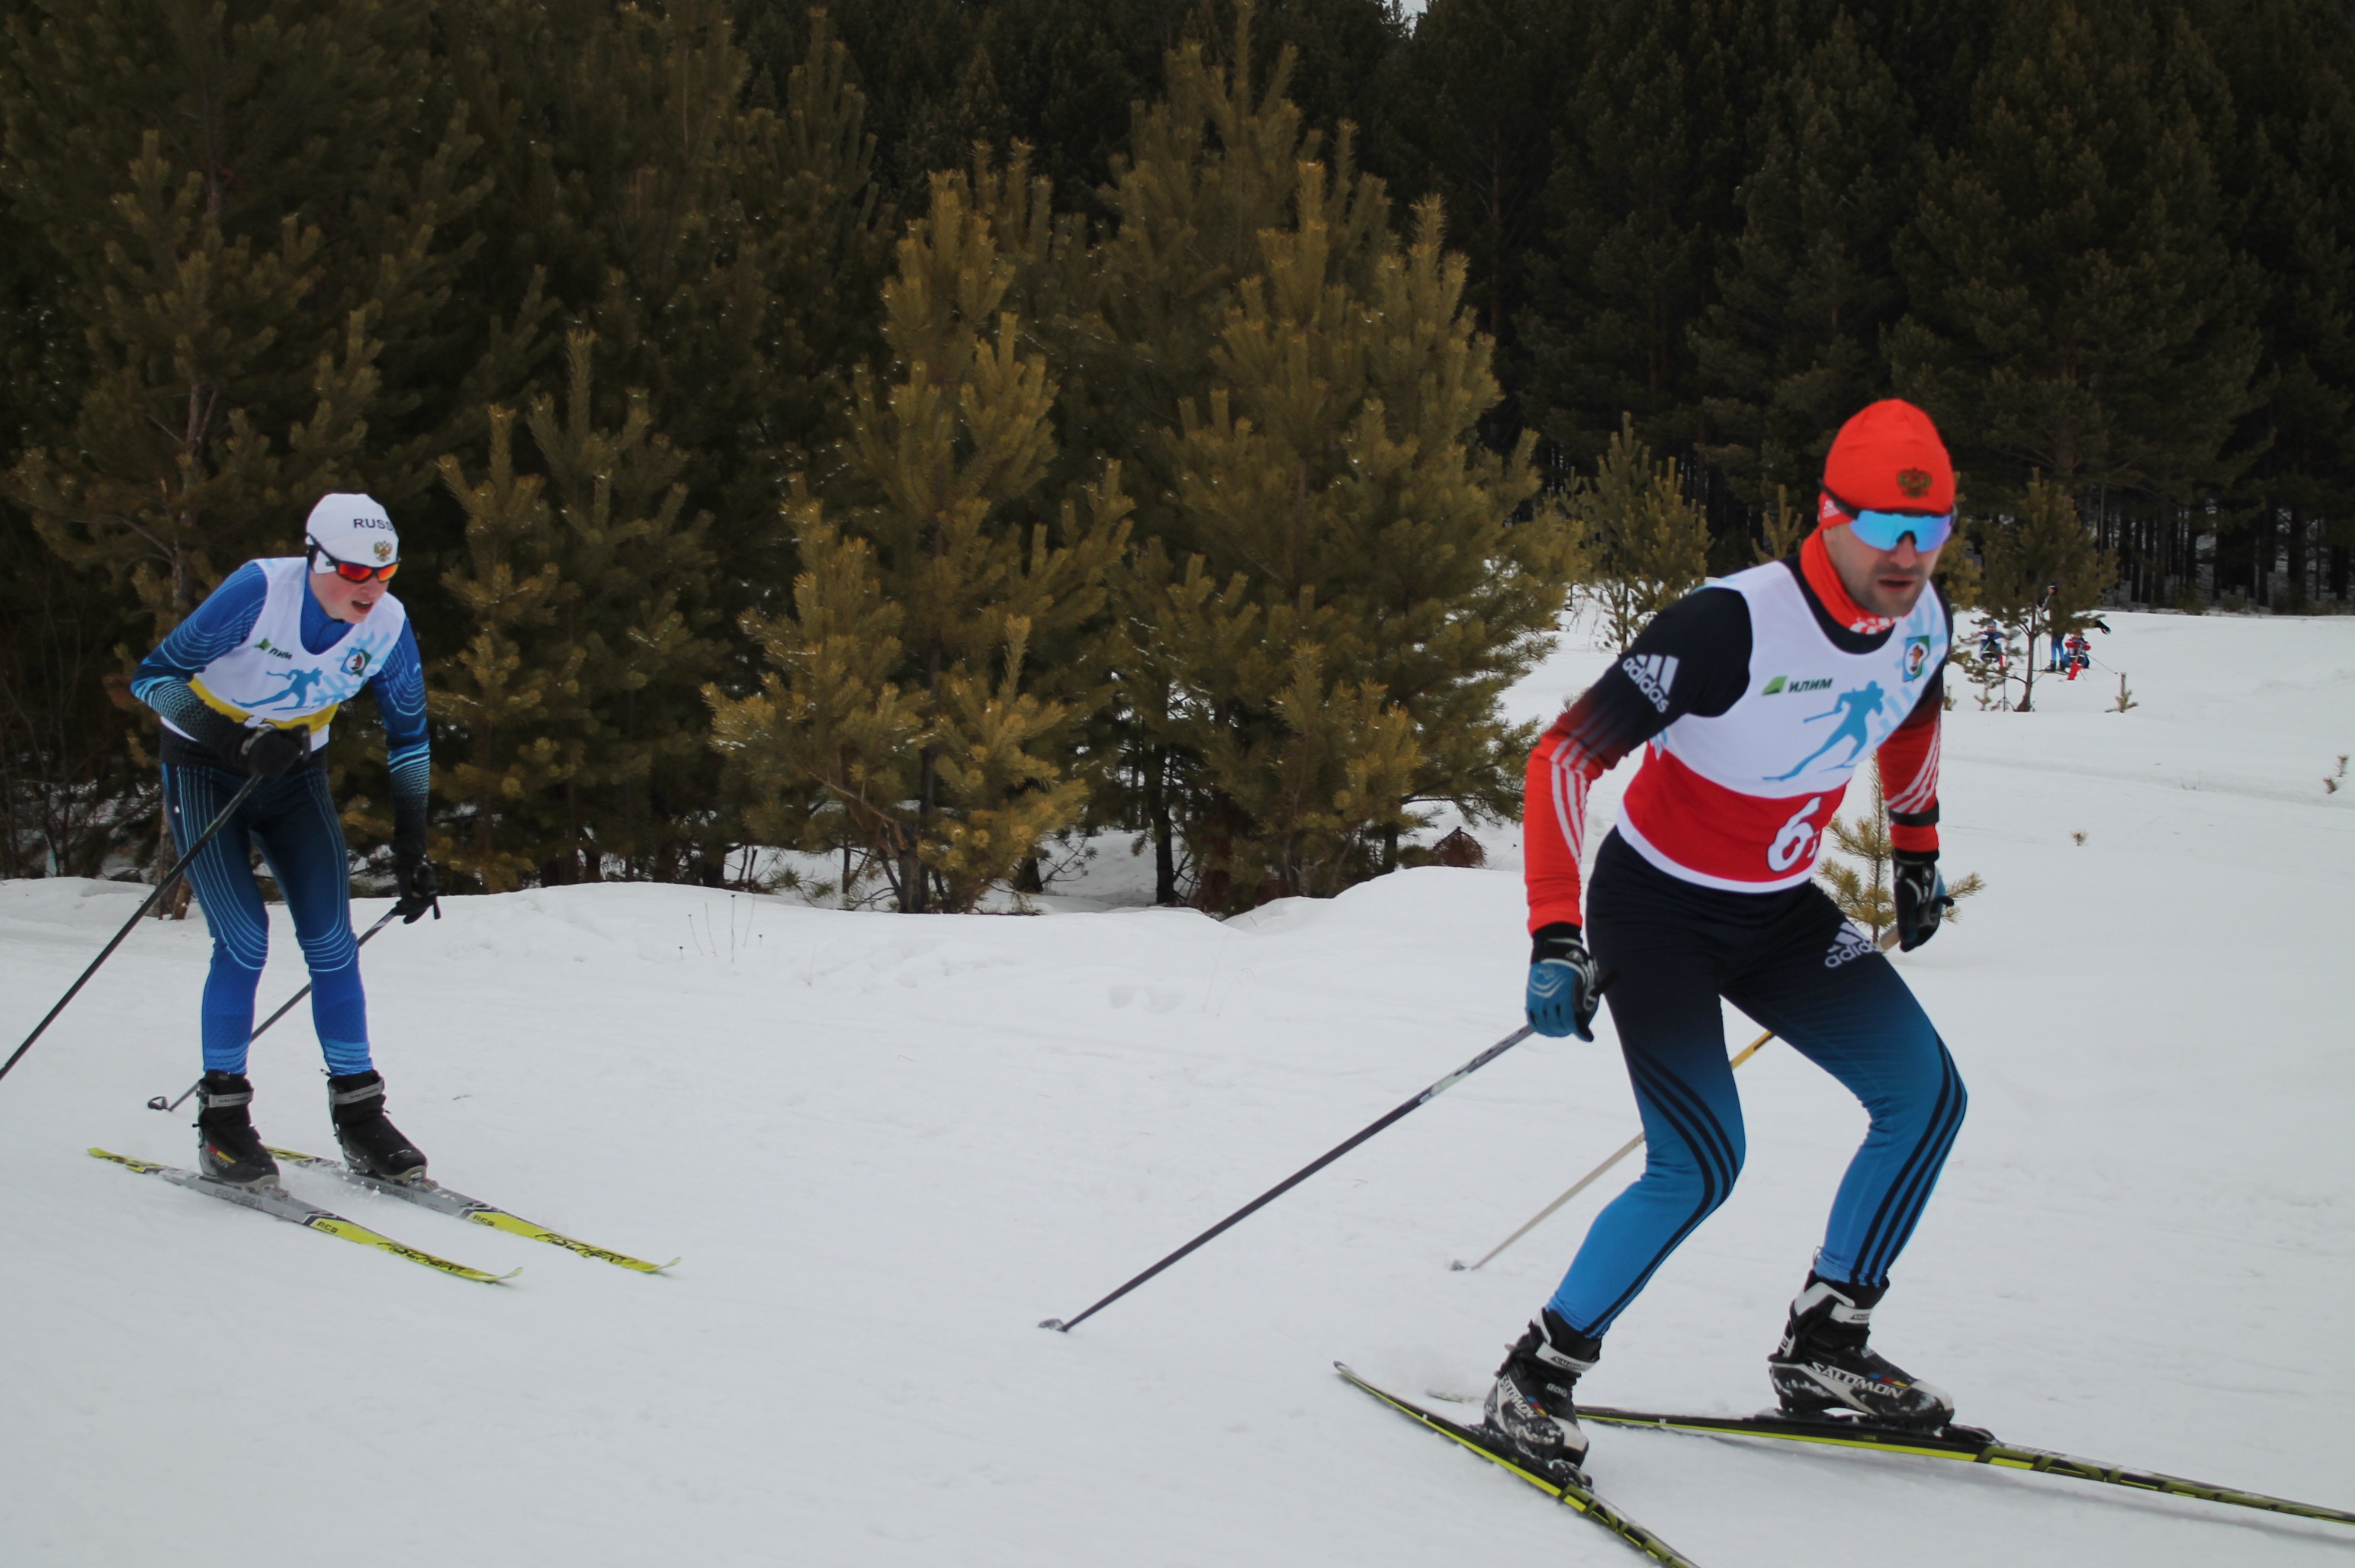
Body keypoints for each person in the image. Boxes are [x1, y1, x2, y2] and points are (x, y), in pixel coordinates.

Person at [1491, 400, 1964, 1483]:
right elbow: (1564, 758)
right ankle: (1537, 1374)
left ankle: (1825, 1345)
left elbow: (1916, 714)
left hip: (1779, 911)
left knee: (1927, 1095)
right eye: (1885, 527)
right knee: (1702, 1164)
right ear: (1827, 515)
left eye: (1929, 527)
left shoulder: (1924, 616)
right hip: (1655, 913)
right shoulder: (1730, 624)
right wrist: (1554, 935)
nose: (1907, 554)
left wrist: (1920, 846)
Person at [130, 494, 441, 1190]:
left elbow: (409, 737)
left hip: (294, 777)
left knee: (332, 940)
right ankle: (223, 1123)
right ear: (317, 559)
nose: (372, 588)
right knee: (244, 941)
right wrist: (231, 740)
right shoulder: (259, 592)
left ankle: (361, 1117)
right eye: (357, 573)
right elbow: (152, 678)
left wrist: (413, 848)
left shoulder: (387, 623)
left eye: (386, 574)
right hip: (206, 770)